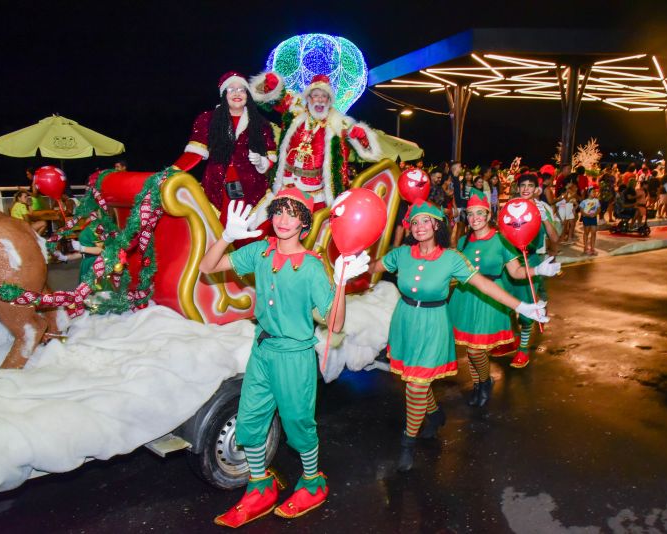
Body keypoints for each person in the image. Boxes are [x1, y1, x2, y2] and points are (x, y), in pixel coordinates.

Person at [200, 189, 369, 528]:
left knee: (298, 424)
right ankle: (260, 485)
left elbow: (333, 323)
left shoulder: (310, 267)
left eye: (293, 214)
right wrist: (225, 236)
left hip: (295, 356)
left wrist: (339, 286)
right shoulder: (260, 252)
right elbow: (208, 267)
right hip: (262, 351)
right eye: (278, 212)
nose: (282, 220)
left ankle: (312, 482)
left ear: (304, 224)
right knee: (249, 421)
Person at [369, 200, 547, 471]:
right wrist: (354, 262)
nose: (419, 227)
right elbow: (373, 267)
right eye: (414, 222)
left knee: (416, 384)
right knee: (414, 381)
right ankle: (435, 414)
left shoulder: (451, 258)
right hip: (404, 321)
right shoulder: (401, 254)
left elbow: (485, 285)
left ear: (437, 224)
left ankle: (408, 443)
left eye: (426, 221)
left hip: (433, 324)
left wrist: (521, 306)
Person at [449, 193, 559, 413]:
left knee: (475, 350)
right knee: (471, 348)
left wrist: (538, 269)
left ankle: (485, 381)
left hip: (490, 299)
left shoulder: (502, 240)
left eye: (479, 213)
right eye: (470, 214)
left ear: (489, 214)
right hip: (465, 297)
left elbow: (517, 272)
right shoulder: (463, 241)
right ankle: (479, 384)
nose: (474, 218)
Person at [249, 71, 381, 211]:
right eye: (316, 95)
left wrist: (361, 137)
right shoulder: (295, 110)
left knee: (308, 229)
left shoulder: (338, 124)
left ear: (329, 100)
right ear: (308, 98)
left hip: (313, 193)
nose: (320, 100)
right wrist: (271, 86)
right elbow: (272, 99)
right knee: (274, 222)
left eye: (324, 96)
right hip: (284, 184)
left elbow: (366, 150)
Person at [173, 71, 276, 219]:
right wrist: (172, 171)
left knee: (248, 231)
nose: (237, 93)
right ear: (223, 94)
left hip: (252, 188)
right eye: (231, 89)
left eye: (241, 89)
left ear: (247, 94)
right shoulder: (208, 119)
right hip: (216, 185)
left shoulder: (261, 124)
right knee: (217, 228)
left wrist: (261, 162)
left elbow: (271, 157)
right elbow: (195, 153)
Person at [501, 173, 560, 368]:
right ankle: (516, 336)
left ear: (537, 189)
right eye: (522, 185)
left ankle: (523, 349)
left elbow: (555, 237)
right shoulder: (509, 207)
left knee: (528, 307)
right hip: (509, 259)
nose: (526, 188)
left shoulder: (543, 208)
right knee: (507, 304)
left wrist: (544, 218)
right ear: (518, 188)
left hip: (531, 260)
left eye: (530, 185)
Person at [578, 187, 601, 255]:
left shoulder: (596, 201)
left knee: (593, 233)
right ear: (588, 193)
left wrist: (595, 214)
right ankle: (585, 247)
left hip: (593, 218)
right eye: (593, 192)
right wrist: (587, 215)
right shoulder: (584, 202)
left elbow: (599, 209)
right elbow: (581, 211)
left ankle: (592, 248)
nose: (594, 193)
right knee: (586, 232)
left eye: (595, 192)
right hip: (586, 218)